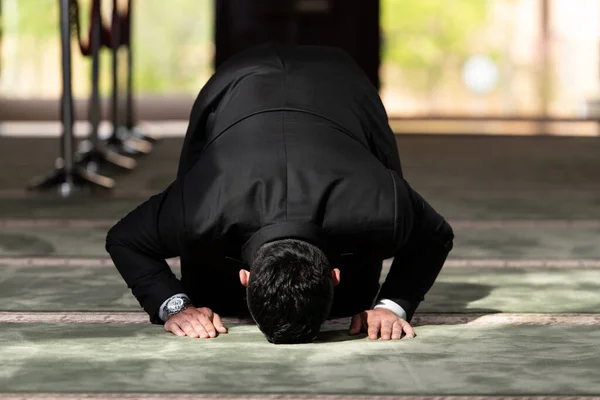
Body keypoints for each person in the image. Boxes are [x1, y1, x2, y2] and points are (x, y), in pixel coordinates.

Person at [105, 44, 454, 344]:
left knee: (357, 297)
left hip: (339, 90)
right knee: (206, 289)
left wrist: (387, 306)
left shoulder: (379, 203)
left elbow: (434, 236)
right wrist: (178, 306)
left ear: (245, 276)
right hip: (239, 84)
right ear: (334, 274)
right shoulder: (201, 204)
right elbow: (125, 239)